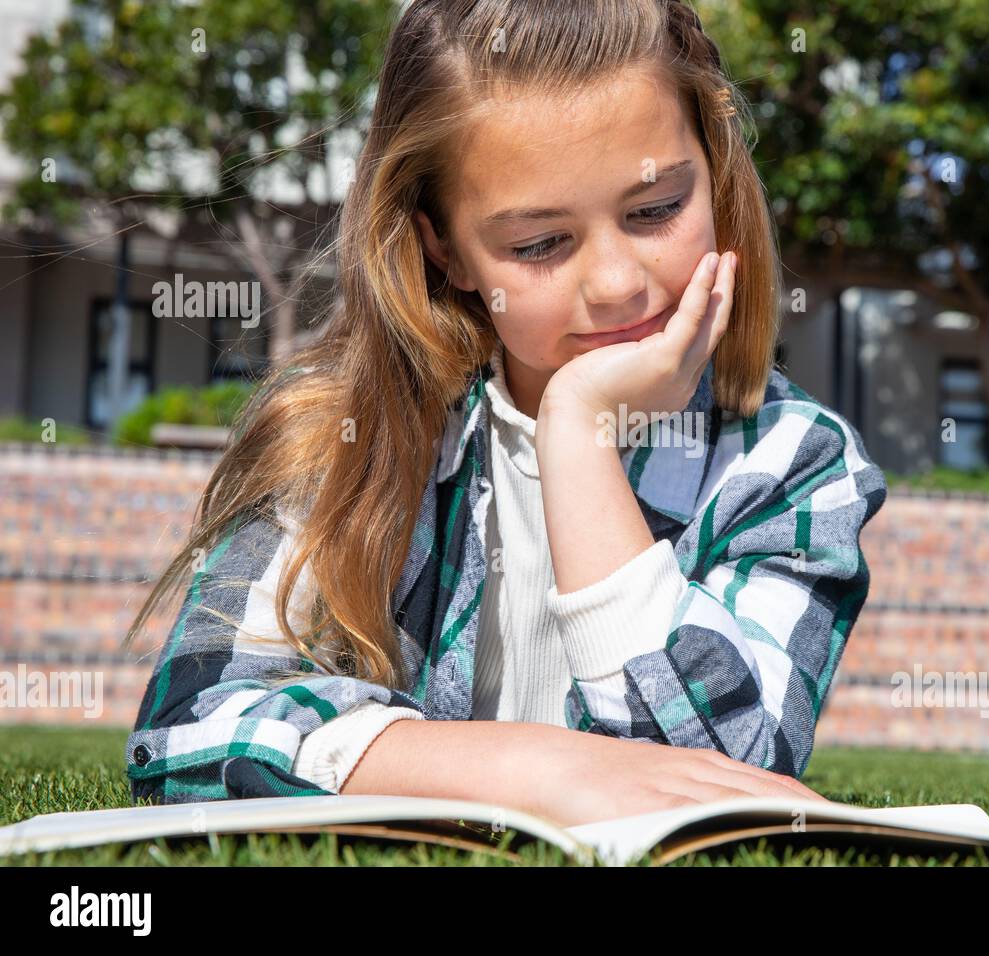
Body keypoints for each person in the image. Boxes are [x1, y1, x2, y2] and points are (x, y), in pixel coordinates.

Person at [122, 0, 888, 828]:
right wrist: (528, 765)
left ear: (716, 170)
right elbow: (187, 731)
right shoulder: (339, 436)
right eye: (538, 245)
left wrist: (579, 434)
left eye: (656, 209)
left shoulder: (791, 462)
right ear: (442, 247)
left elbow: (724, 777)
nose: (619, 283)